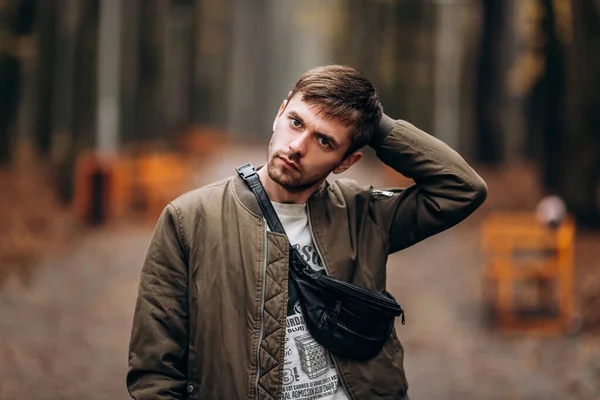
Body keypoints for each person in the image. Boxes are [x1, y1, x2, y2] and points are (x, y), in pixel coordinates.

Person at [127, 65, 488, 400]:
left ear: (347, 162)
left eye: (325, 141)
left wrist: (374, 124)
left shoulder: (366, 215)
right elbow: (154, 369)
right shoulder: (189, 219)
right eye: (296, 122)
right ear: (279, 112)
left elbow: (462, 189)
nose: (297, 147)